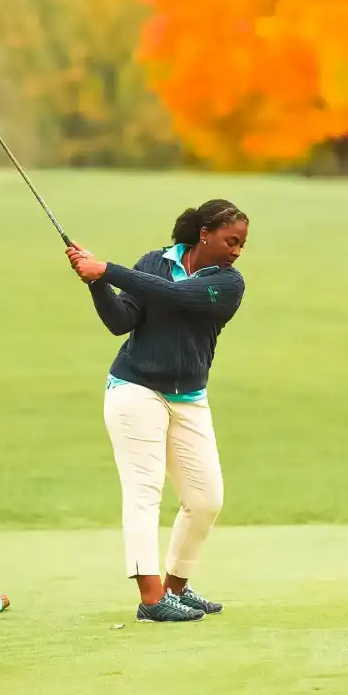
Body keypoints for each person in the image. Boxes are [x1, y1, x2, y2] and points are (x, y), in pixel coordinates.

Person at [66, 199, 249, 623]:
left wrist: (106, 268)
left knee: (206, 499)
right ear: (205, 233)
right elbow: (120, 320)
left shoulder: (228, 283)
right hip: (135, 389)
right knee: (144, 491)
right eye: (231, 240)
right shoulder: (154, 262)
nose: (237, 251)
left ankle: (175, 589)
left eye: (241, 244)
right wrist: (94, 282)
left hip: (189, 398)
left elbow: (176, 295)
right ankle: (151, 600)